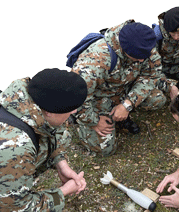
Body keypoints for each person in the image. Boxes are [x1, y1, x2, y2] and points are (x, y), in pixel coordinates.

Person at [0, 69, 88, 211]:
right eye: (70, 108)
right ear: (50, 112)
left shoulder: (23, 101)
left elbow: (48, 132)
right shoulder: (12, 151)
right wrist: (63, 192)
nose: (74, 112)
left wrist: (60, 163)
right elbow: (17, 209)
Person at [71, 20, 166, 156]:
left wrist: (127, 104)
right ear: (124, 49)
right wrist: (94, 121)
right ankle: (79, 121)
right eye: (137, 58)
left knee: (157, 99)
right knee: (104, 150)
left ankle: (119, 116)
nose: (141, 61)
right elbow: (77, 97)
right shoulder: (96, 59)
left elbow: (151, 76)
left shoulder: (145, 46)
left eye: (143, 57)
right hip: (97, 98)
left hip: (123, 90)